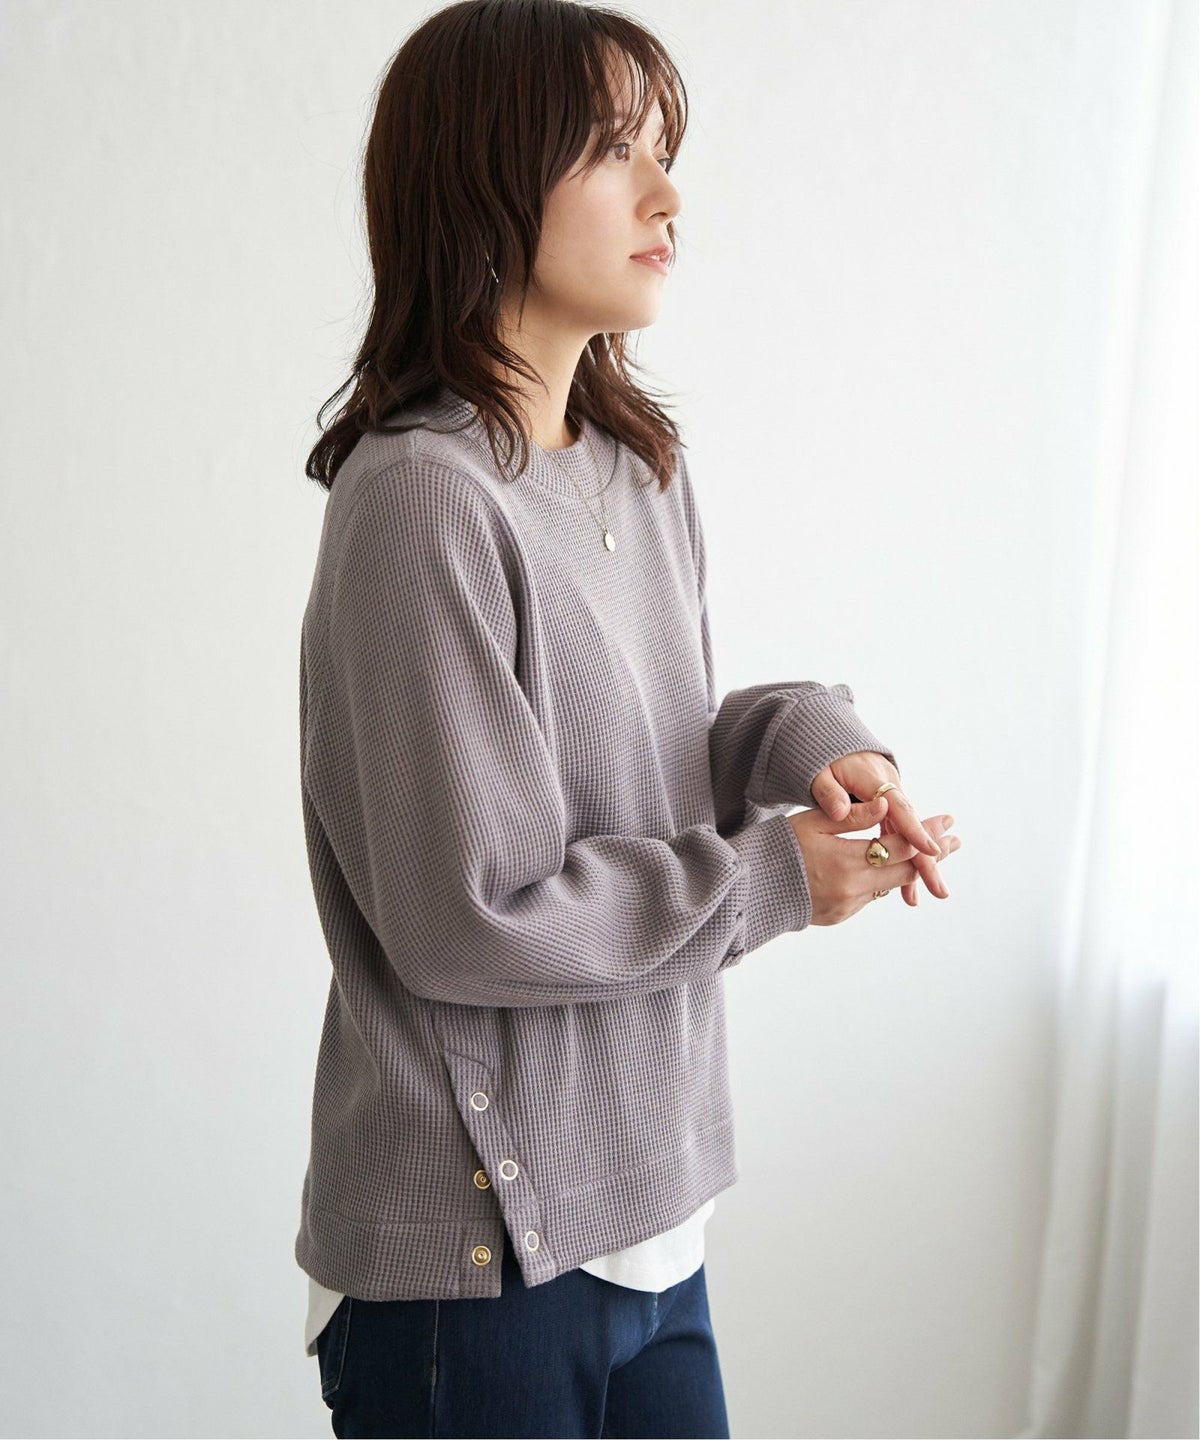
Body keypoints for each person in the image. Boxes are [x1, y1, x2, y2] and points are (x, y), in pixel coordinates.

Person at [294, 3, 960, 1435]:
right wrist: (775, 879)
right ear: (486, 176)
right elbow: (476, 915)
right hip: (482, 1267)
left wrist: (818, 746)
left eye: (666, 152)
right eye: (614, 153)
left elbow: (646, 760)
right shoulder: (422, 497)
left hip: (653, 1221)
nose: (668, 197)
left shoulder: (635, 464)